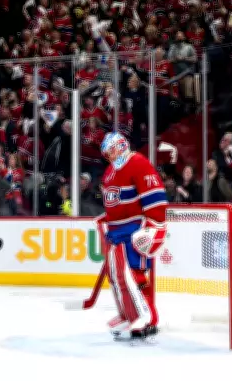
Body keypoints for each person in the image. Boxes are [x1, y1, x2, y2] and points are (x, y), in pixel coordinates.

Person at [97, 132, 168, 341]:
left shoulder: (138, 163)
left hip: (134, 230)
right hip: (116, 233)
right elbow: (114, 203)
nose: (109, 157)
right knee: (118, 277)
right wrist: (106, 220)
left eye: (110, 151)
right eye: (106, 154)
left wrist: (156, 226)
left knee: (135, 275)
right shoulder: (109, 171)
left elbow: (155, 198)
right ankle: (128, 314)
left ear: (120, 146)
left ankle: (148, 317)